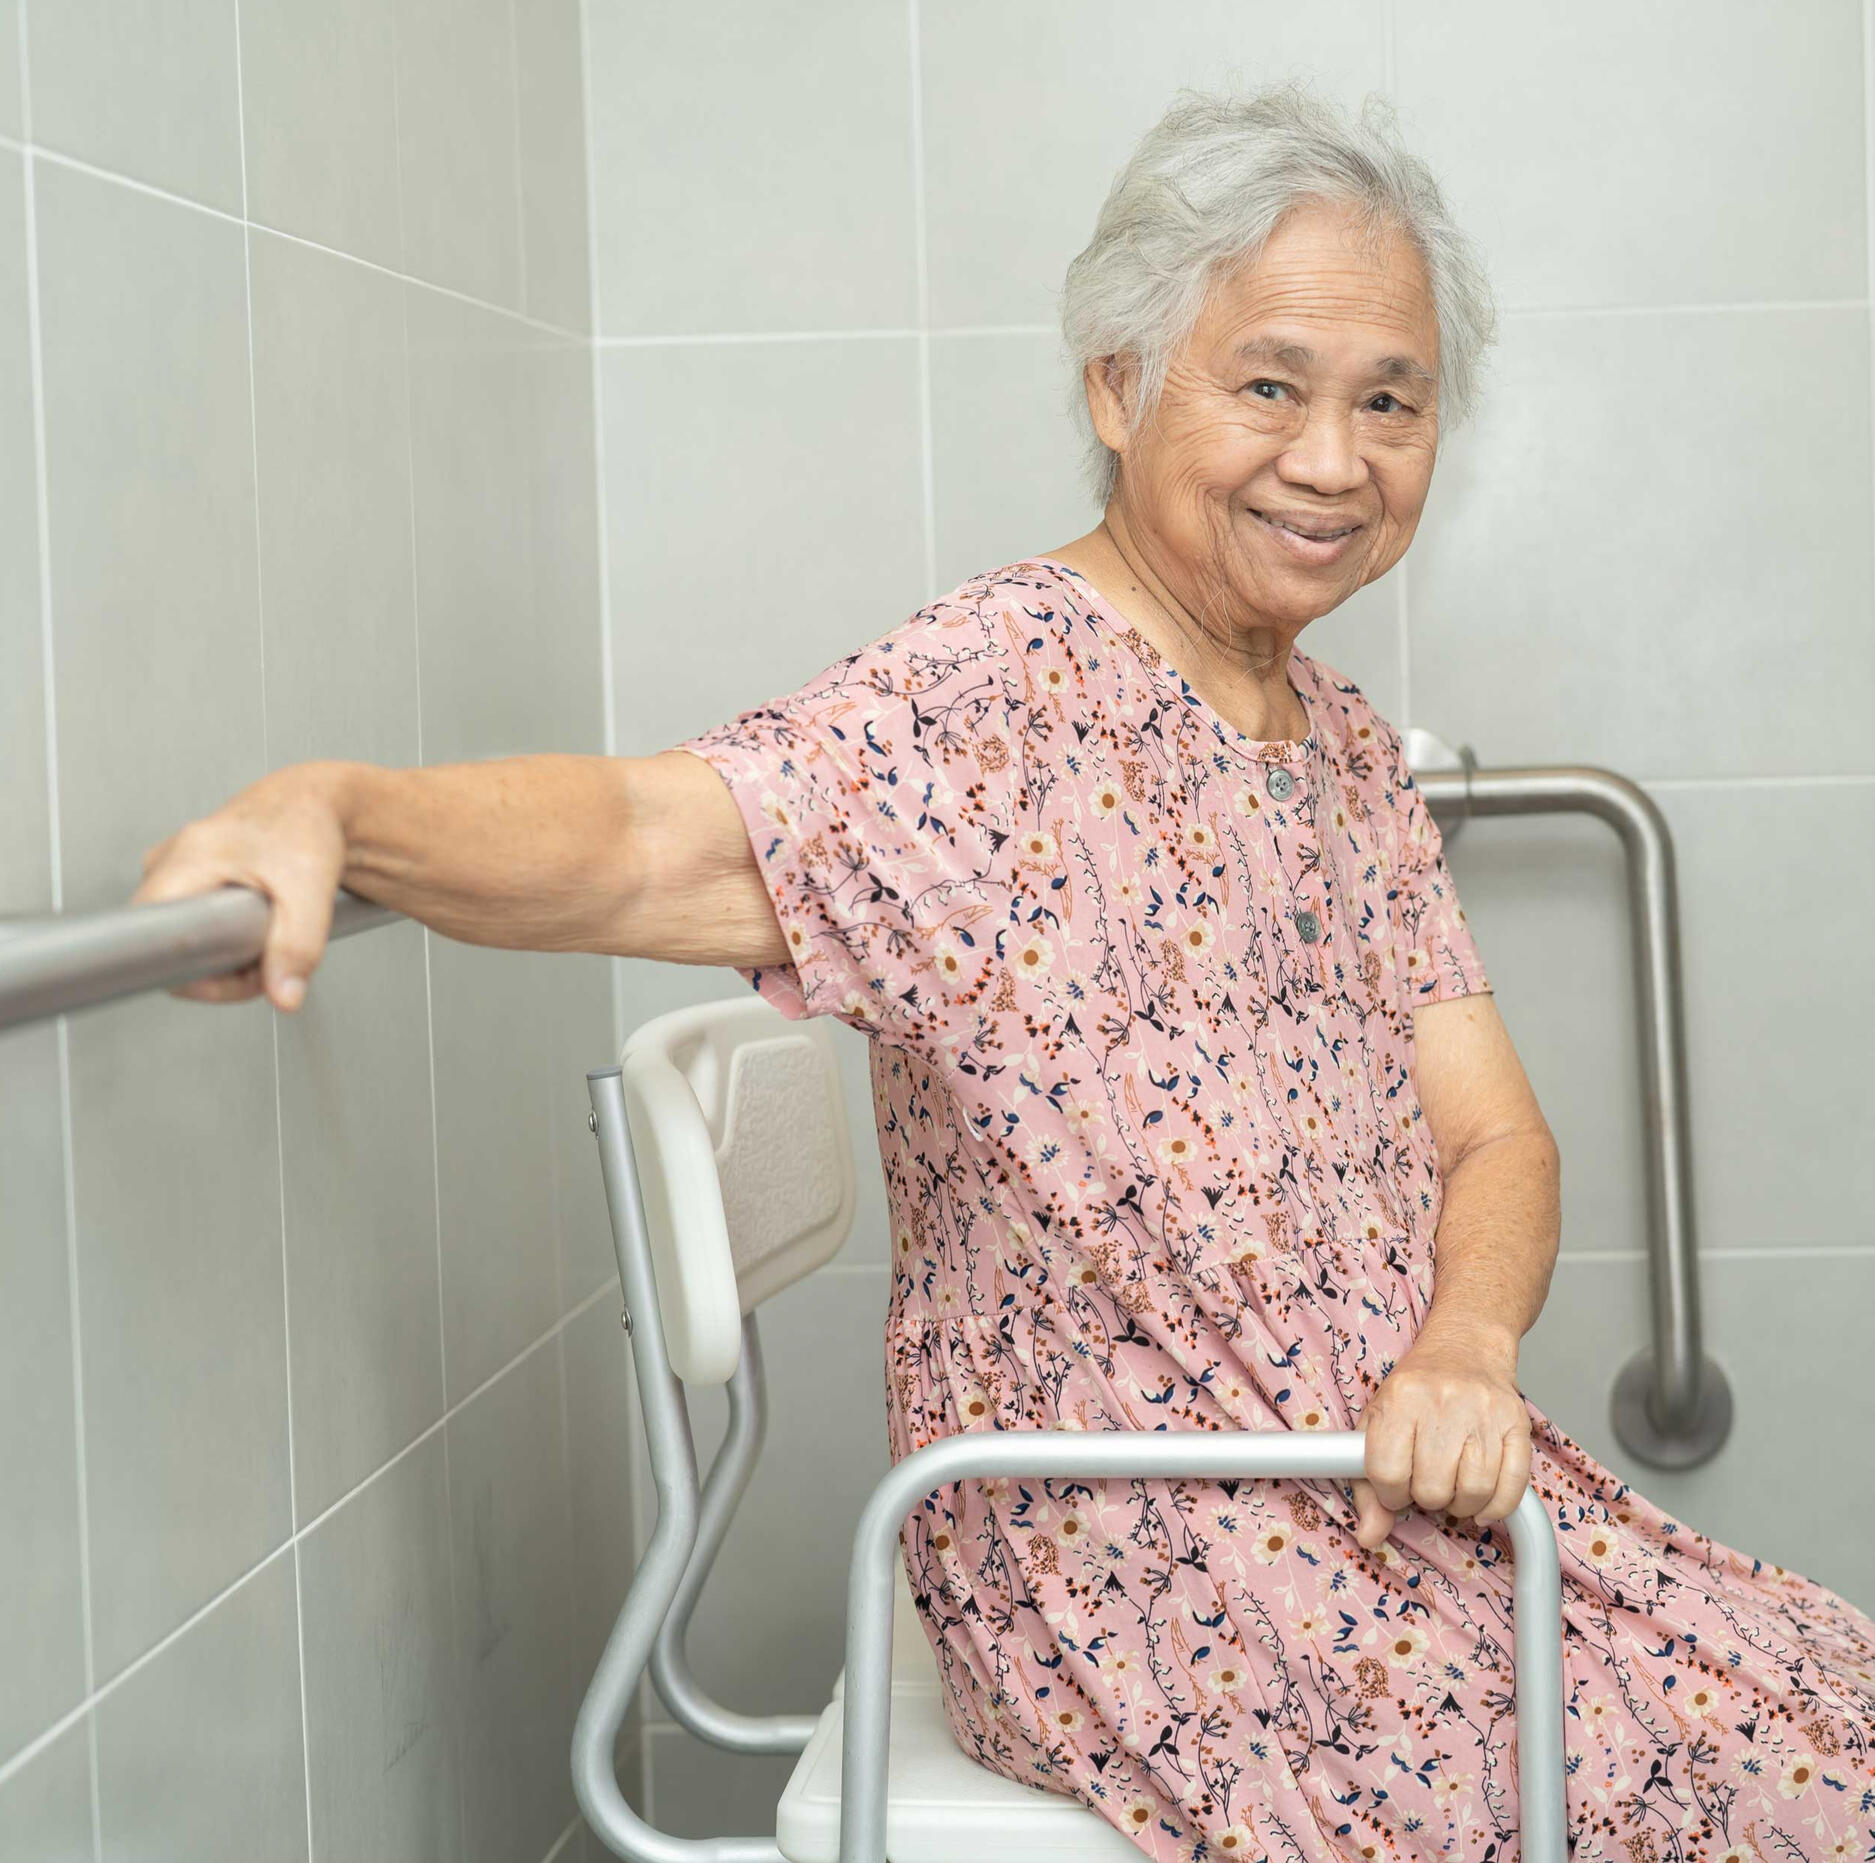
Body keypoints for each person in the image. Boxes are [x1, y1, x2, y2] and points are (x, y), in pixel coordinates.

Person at [136, 82, 1875, 1863]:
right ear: (1119, 388)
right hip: (1152, 1552)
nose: (1334, 461)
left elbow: (1498, 1140)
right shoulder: (996, 704)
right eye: (1268, 384)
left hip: (1387, 1481)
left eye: (1390, 403)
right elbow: (650, 839)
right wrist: (341, 812)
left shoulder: (1339, 747)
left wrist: (1465, 1343)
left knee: (1830, 1705)